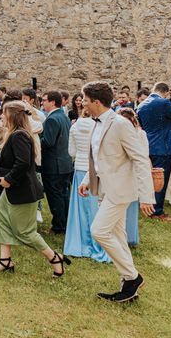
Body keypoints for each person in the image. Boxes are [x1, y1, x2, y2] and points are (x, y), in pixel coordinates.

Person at [79, 81, 155, 303]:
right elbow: (98, 156)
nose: (82, 102)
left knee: (99, 231)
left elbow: (140, 159)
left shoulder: (121, 124)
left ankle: (133, 277)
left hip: (120, 190)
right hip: (104, 188)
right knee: (119, 237)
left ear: (96, 101)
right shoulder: (96, 123)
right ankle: (128, 285)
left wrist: (147, 197)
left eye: (84, 99)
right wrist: (87, 179)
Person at [0, 100, 70, 277]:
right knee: (3, 220)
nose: (1, 117)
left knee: (25, 232)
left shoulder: (19, 135)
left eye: (4, 113)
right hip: (13, 189)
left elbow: (24, 162)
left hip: (23, 190)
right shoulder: (13, 133)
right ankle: (5, 261)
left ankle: (55, 258)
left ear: (12, 115)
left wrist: (9, 180)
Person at [64, 108, 110, 262]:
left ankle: (79, 243)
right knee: (95, 207)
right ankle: (98, 243)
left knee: (80, 209)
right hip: (93, 170)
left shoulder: (75, 126)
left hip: (80, 168)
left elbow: (71, 152)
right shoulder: (97, 126)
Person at [136, 82, 171, 222]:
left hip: (148, 146)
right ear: (166, 92)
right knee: (160, 180)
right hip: (163, 147)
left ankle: (148, 205)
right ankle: (157, 211)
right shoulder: (164, 102)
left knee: (149, 178)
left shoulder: (142, 105)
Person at [40, 90, 74, 235]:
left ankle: (58, 226)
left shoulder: (52, 119)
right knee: (63, 195)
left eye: (44, 100)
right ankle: (65, 223)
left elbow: (48, 142)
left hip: (54, 164)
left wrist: (34, 138)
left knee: (55, 196)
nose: (42, 103)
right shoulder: (64, 116)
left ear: (52, 102)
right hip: (65, 162)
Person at [115, 107, 149, 246]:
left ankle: (128, 237)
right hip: (121, 172)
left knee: (130, 204)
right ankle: (121, 236)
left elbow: (144, 154)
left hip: (132, 171)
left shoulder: (140, 134)